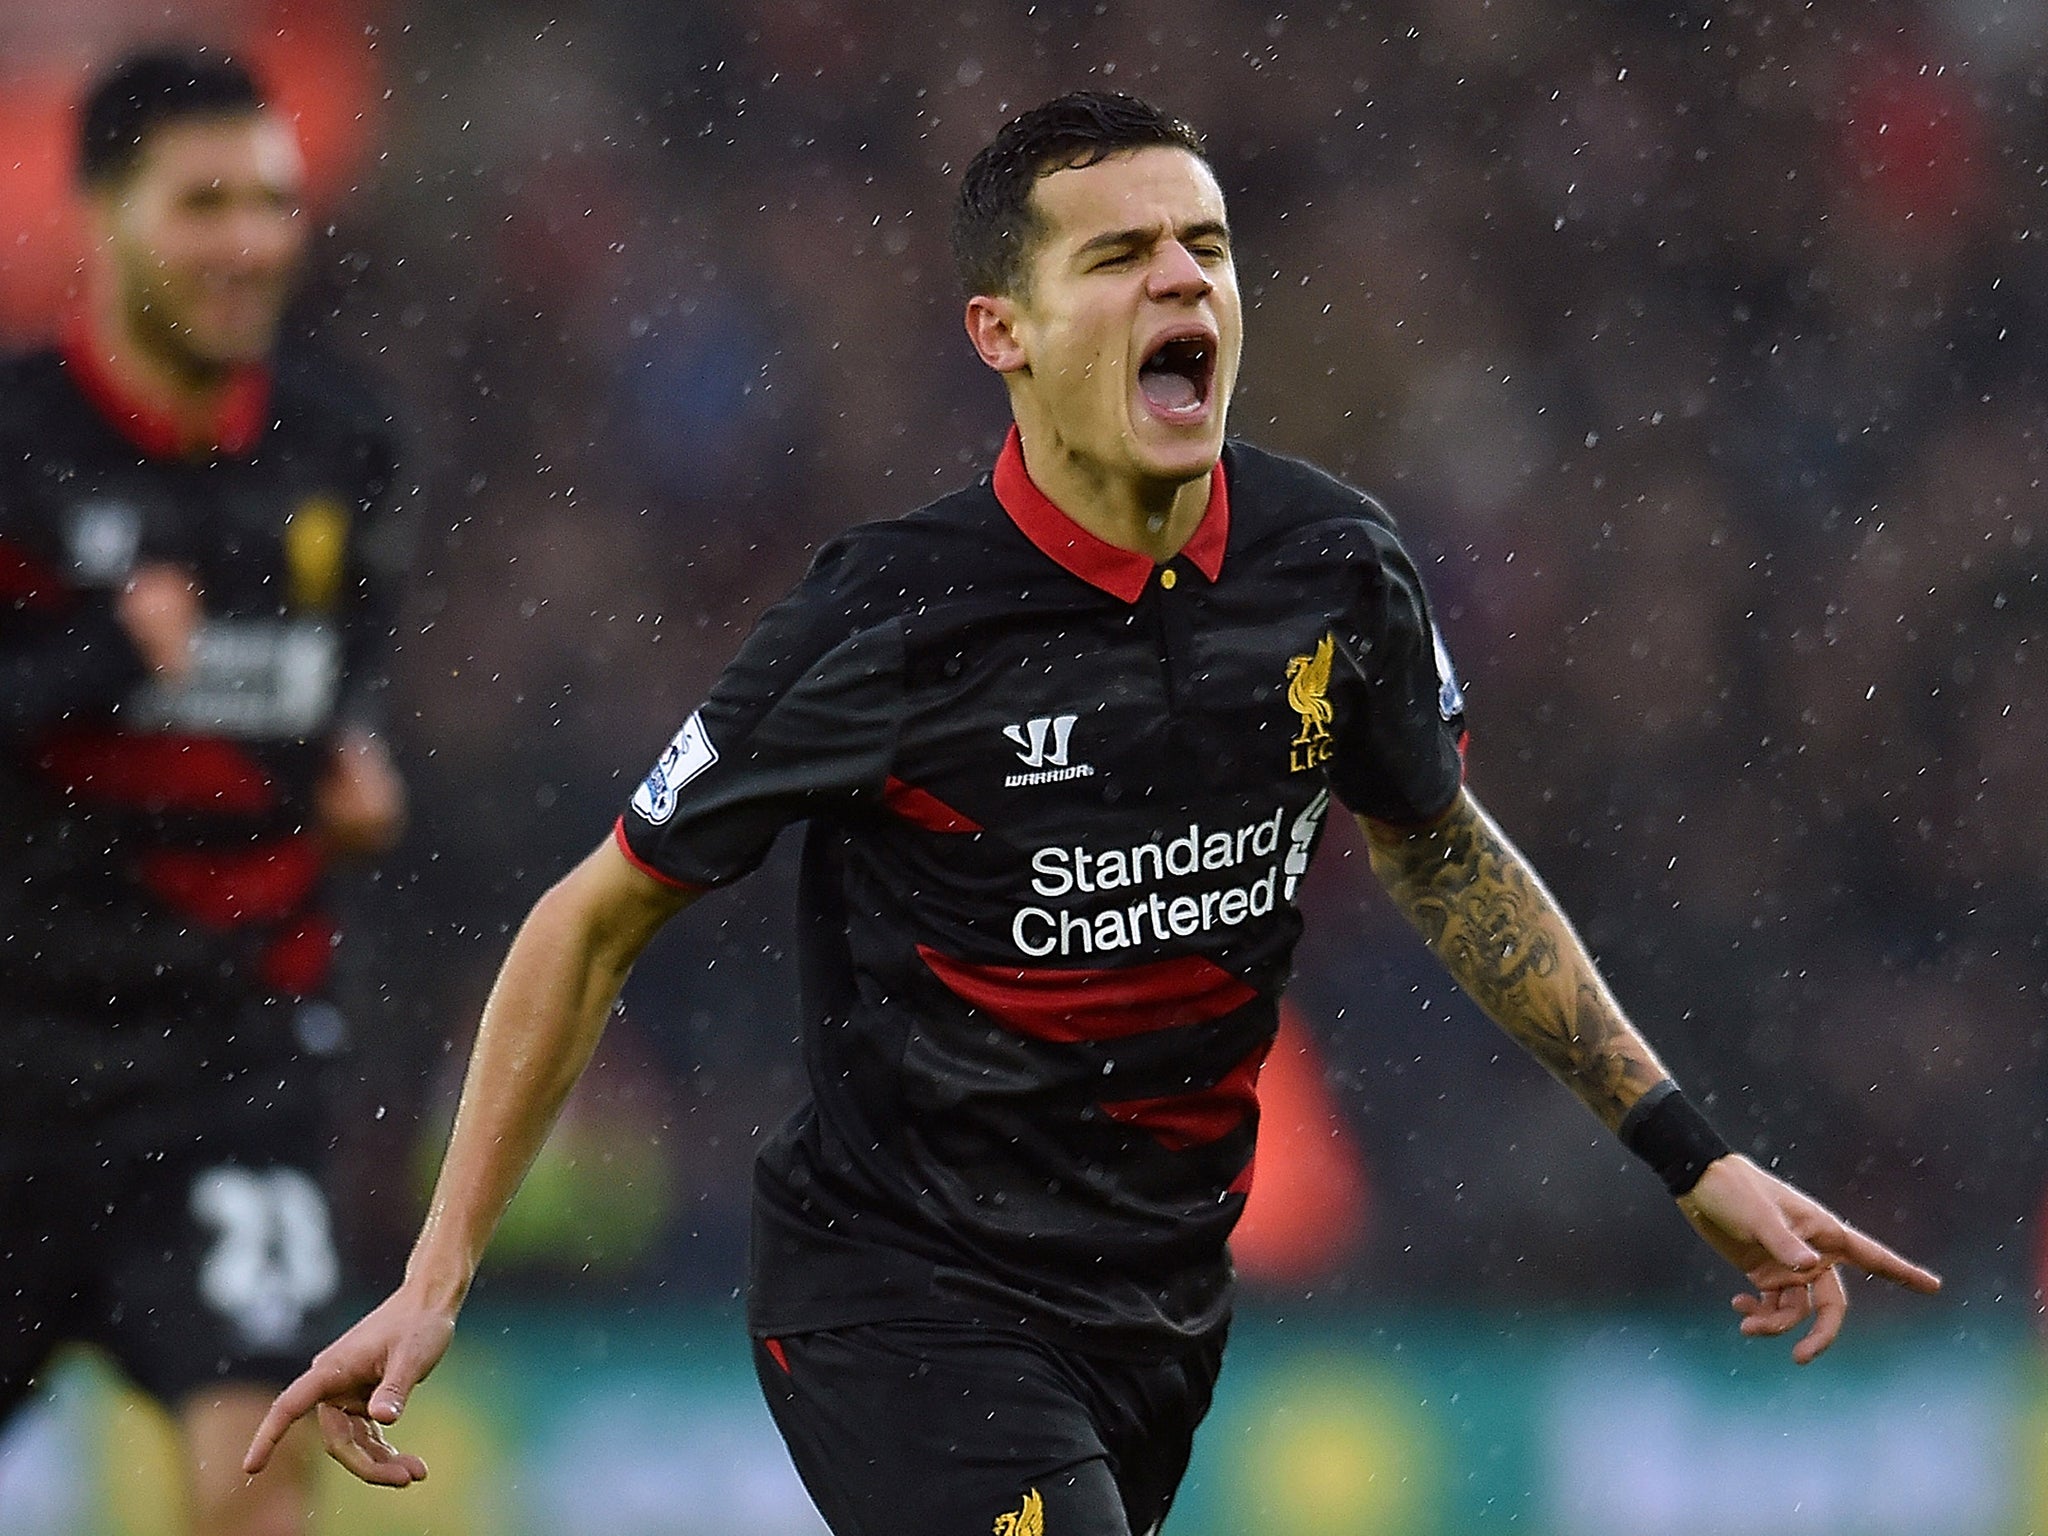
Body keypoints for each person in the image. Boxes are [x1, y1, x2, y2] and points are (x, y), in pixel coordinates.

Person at [245, 92, 1939, 1535]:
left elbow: (1444, 854)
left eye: (1203, 246)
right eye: (1119, 256)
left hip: (1154, 1303)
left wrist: (1685, 1150)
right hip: (900, 1294)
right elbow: (594, 911)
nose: (1180, 279)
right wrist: (441, 1271)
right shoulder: (887, 621)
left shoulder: (1332, 571)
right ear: (1007, 330)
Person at [0, 48, 411, 1536]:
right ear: (102, 210)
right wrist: (93, 656)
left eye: (275, 201)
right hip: (15, 1055)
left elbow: (330, 704)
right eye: (206, 201)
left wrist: (350, 780)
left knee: (257, 1484)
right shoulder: (13, 446)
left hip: (222, 1069)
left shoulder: (345, 446)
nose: (251, 239)